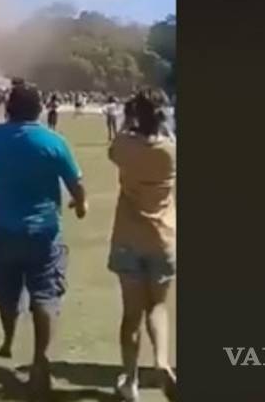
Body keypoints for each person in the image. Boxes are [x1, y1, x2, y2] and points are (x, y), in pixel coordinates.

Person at [0, 84, 87, 397]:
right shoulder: (53, 142)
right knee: (45, 293)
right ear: (40, 110)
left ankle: (8, 341)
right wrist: (81, 204)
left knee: (6, 290)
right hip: (43, 230)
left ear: (9, 109)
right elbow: (75, 184)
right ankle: (41, 360)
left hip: (3, 227)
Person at [107, 92, 178, 401]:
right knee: (158, 307)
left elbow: (114, 150)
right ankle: (161, 361)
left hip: (128, 237)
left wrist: (128, 121)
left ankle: (130, 380)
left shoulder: (125, 145)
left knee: (131, 314)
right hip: (163, 237)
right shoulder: (171, 149)